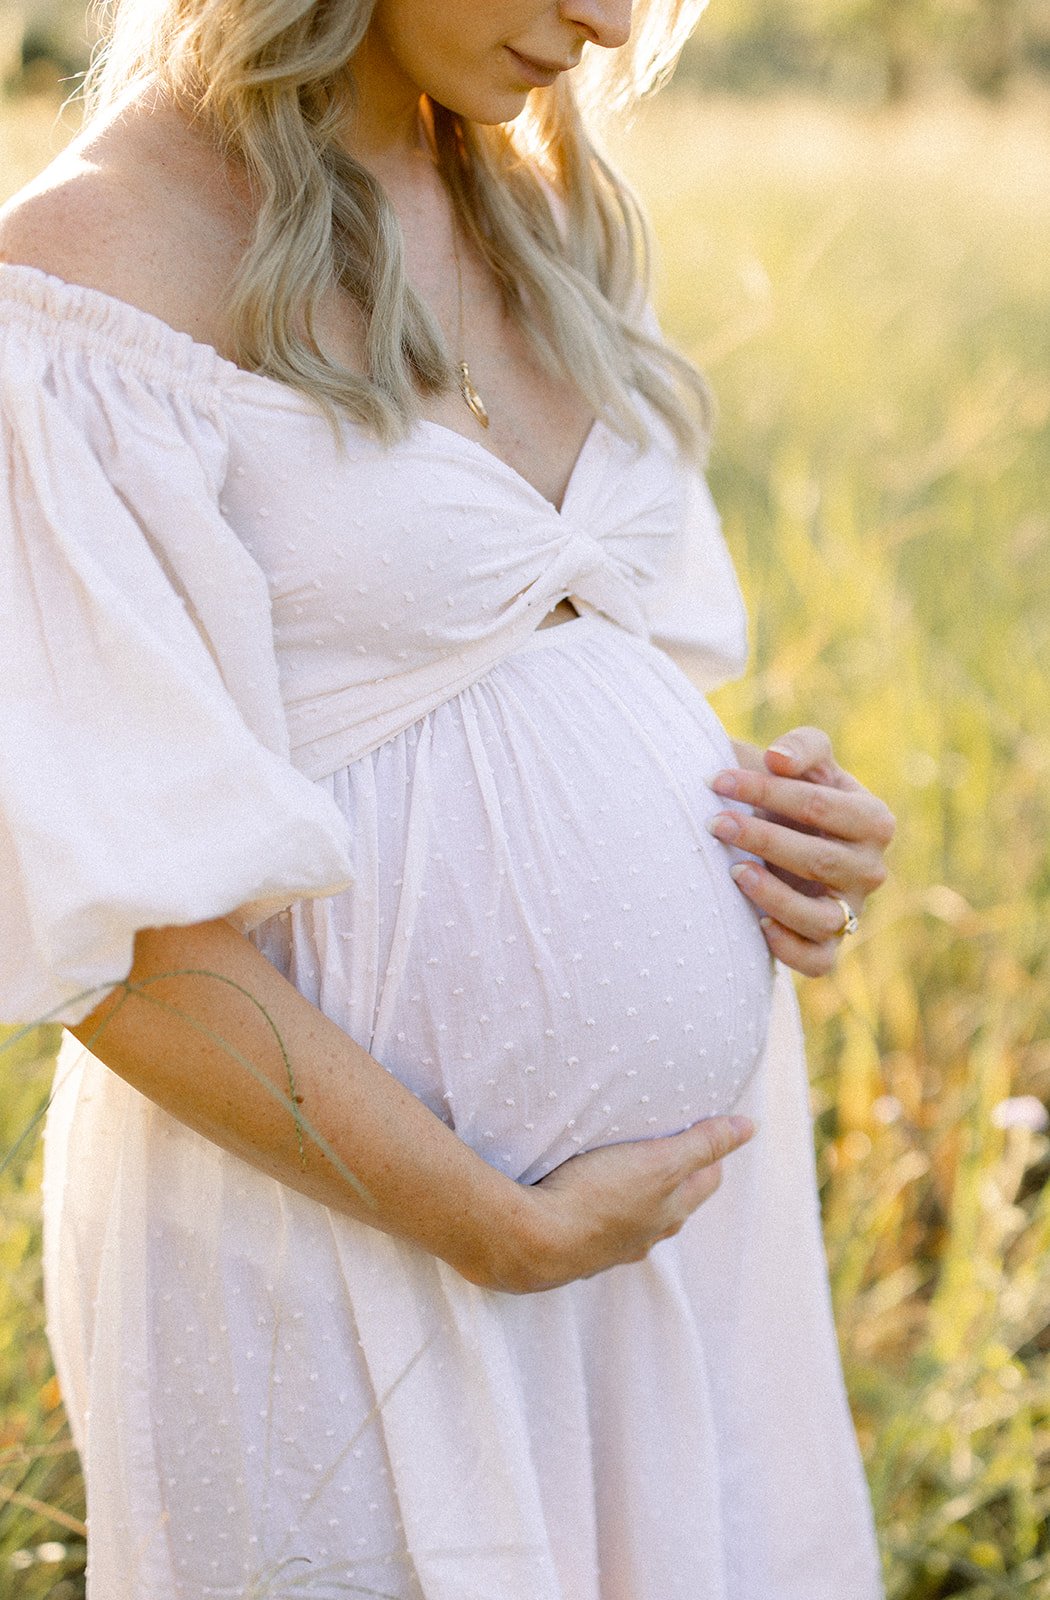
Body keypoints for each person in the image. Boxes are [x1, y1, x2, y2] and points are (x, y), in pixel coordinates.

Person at [0, 1, 895, 1595]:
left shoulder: (531, 210)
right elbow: (122, 935)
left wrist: (782, 824)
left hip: (670, 1234)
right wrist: (492, 1224)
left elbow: (572, 660)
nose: (609, 23)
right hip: (343, 1237)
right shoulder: (83, 273)